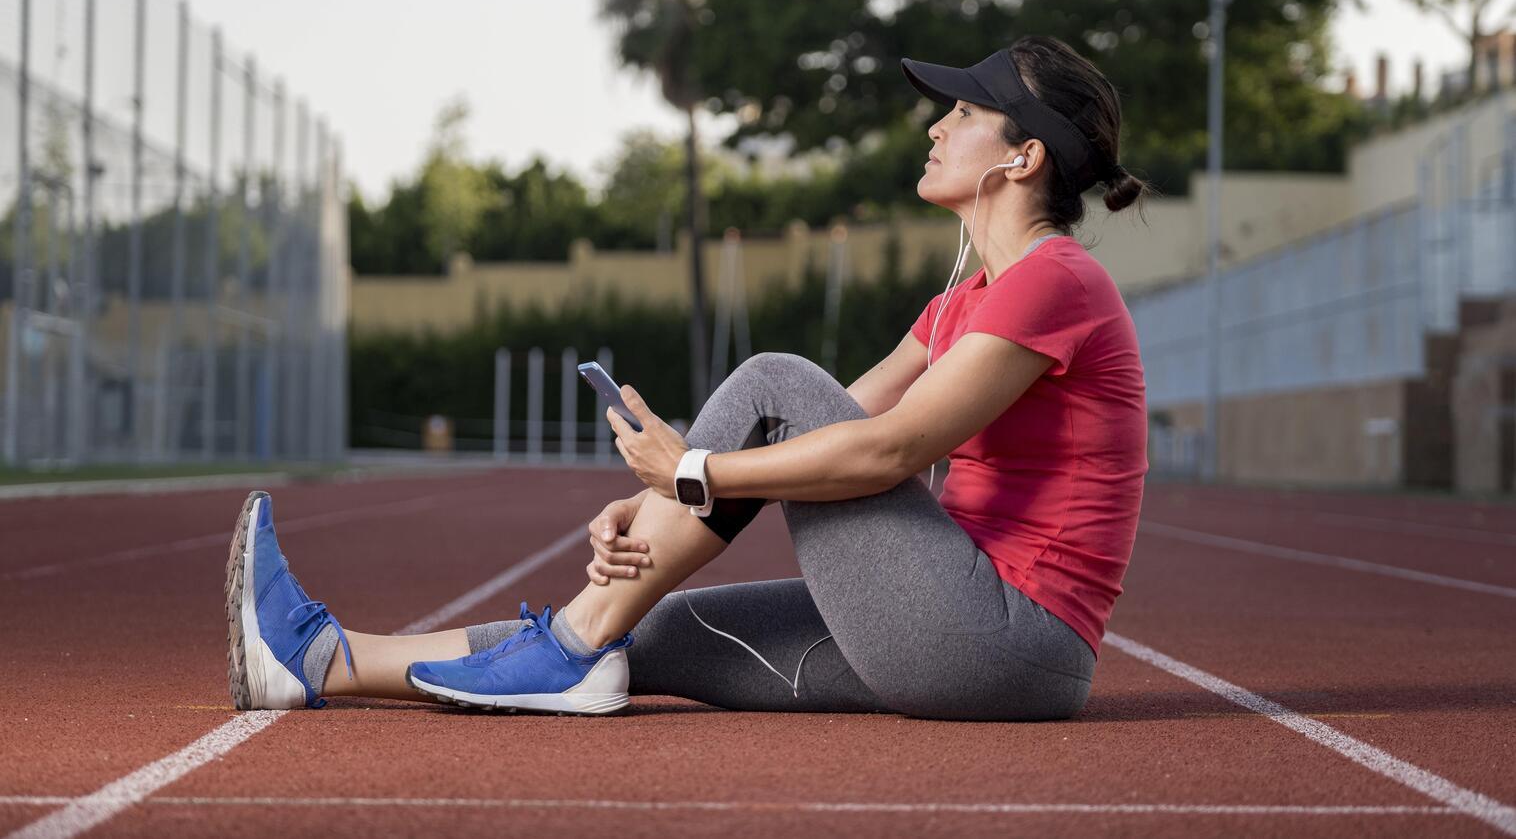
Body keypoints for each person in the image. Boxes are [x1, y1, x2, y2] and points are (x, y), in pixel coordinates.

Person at [225, 35, 1152, 721]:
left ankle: (569, 647)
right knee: (643, 631)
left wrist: (691, 474)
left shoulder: (1056, 281)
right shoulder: (966, 299)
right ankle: (324, 658)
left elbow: (885, 450)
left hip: (1006, 639)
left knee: (775, 380)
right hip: (947, 622)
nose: (938, 124)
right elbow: (848, 417)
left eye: (965, 113)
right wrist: (656, 502)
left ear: (1024, 156)